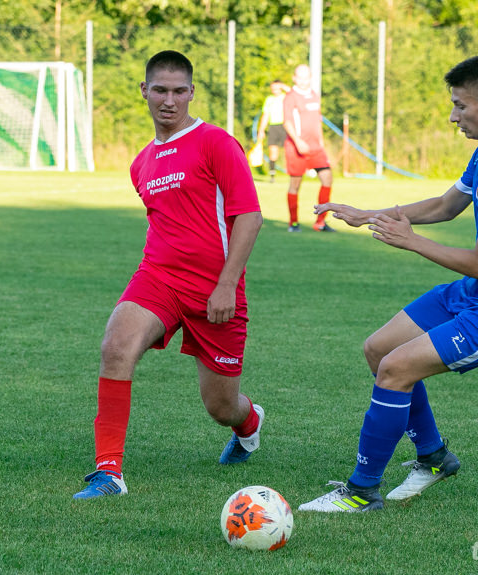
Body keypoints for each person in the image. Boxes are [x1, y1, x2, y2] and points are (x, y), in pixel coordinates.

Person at [299, 55, 478, 513]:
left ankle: (362, 492)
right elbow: (444, 205)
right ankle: (435, 457)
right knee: (379, 351)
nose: (453, 116)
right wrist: (371, 214)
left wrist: (411, 242)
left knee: (396, 370)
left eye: (460, 106)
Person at [74, 50, 265, 499]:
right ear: (144, 90)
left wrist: (224, 285)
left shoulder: (217, 142)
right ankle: (109, 473)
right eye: (160, 89)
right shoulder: (141, 163)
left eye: (179, 91)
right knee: (115, 346)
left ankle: (250, 421)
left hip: (216, 292)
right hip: (158, 276)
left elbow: (250, 217)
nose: (169, 100)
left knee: (221, 406)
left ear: (192, 93)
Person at [282, 64, 334, 232]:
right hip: (297, 147)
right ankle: (294, 223)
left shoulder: (314, 95)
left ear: (310, 78)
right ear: (294, 78)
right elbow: (287, 121)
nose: (304, 81)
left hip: (315, 148)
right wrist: (298, 142)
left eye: (307, 77)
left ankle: (320, 222)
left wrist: (321, 142)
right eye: (300, 77)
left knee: (327, 179)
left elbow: (317, 121)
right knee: (295, 185)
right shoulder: (290, 97)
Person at [257, 80, 289, 183]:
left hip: (285, 126)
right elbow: (265, 115)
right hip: (273, 127)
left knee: (288, 150)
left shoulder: (286, 97)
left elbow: (294, 93)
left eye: (277, 88)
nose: (275, 90)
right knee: (273, 151)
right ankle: (272, 175)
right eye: (273, 88)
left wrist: (283, 85)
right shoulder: (269, 99)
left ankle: (293, 172)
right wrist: (261, 130)